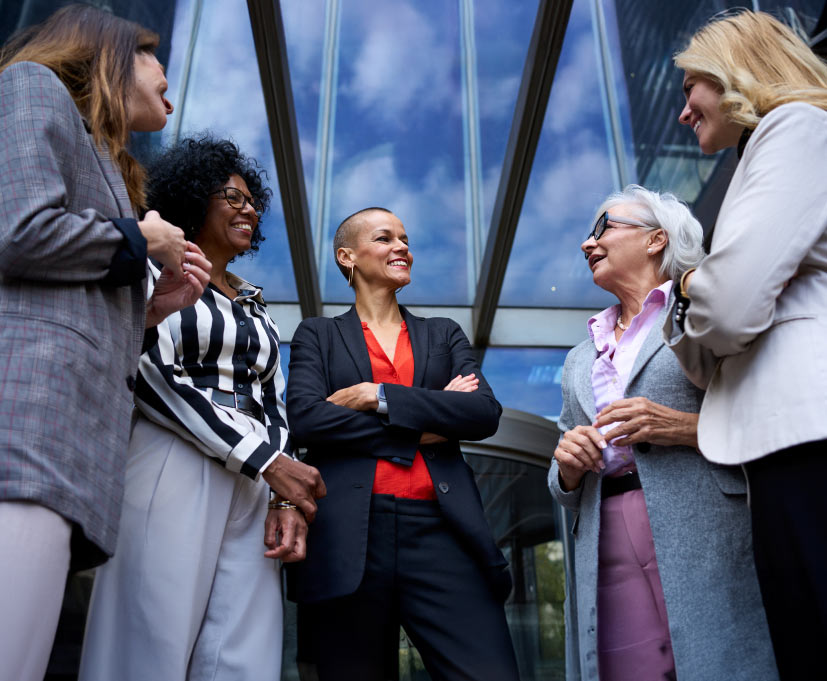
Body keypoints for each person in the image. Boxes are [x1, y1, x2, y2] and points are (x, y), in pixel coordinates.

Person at [0, 6, 211, 681]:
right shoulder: (33, 86)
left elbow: (63, 293)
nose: (167, 78)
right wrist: (138, 241)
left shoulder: (114, 166)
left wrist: (149, 313)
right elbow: (20, 231)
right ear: (109, 56)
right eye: (153, 58)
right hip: (26, 434)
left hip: (64, 454)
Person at [78, 136, 325, 681]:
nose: (249, 209)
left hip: (255, 477)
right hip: (174, 454)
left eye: (252, 202)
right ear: (193, 200)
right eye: (232, 198)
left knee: (243, 654)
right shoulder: (153, 272)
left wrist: (282, 493)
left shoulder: (254, 303)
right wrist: (265, 461)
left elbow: (271, 401)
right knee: (149, 638)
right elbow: (152, 375)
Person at [549, 185, 777, 681]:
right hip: (604, 530)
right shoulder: (578, 358)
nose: (587, 245)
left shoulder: (703, 314)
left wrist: (687, 428)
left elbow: (765, 414)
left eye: (602, 228)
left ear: (656, 240)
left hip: (705, 524)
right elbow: (561, 471)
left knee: (727, 663)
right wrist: (566, 467)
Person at [283, 207, 519, 680]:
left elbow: (481, 413)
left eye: (405, 239)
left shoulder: (443, 333)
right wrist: (430, 417)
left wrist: (380, 396)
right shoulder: (318, 334)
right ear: (347, 255)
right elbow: (306, 419)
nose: (402, 247)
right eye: (385, 238)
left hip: (442, 531)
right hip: (350, 534)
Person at [667, 11, 827, 678]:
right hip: (781, 448)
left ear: (735, 71)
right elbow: (706, 362)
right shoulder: (762, 157)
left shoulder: (797, 129)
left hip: (807, 443)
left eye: (689, 89)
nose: (682, 114)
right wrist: (697, 288)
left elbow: (726, 311)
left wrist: (694, 284)